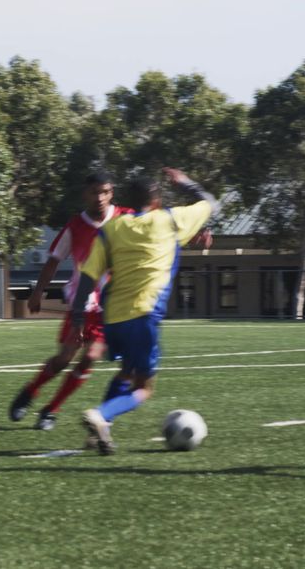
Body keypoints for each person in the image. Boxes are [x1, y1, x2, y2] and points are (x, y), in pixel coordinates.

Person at [72, 168, 219, 455]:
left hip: (113, 317)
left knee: (126, 373)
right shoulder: (170, 220)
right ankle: (101, 415)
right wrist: (185, 183)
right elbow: (211, 203)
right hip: (144, 314)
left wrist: (78, 316)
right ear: (157, 200)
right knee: (144, 387)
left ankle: (100, 430)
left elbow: (88, 276)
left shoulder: (111, 229)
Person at [8, 172, 133, 431]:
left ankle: (51, 410)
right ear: (85, 194)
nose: (100, 197)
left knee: (91, 356)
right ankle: (30, 390)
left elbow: (159, 224)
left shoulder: (126, 217)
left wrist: (195, 233)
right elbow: (54, 260)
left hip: (111, 306)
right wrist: (37, 292)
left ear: (111, 193)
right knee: (65, 358)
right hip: (81, 303)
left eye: (105, 192)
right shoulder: (76, 226)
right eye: (94, 192)